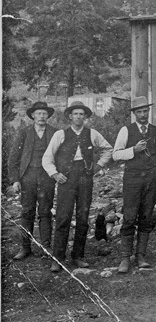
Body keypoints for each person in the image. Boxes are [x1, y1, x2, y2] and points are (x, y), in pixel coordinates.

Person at [42, 101, 113, 272]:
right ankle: (57, 258)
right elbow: (47, 157)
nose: (79, 117)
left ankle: (78, 256)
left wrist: (98, 166)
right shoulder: (60, 134)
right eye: (75, 114)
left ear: (86, 117)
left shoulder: (92, 133)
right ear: (70, 116)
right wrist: (55, 174)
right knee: (63, 217)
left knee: (83, 217)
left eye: (82, 114)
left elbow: (108, 149)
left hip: (85, 179)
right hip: (66, 179)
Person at [112, 96, 156, 273]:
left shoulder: (155, 130)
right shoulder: (126, 130)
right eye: (140, 112)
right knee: (129, 217)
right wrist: (133, 150)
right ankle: (125, 258)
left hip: (151, 178)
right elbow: (115, 155)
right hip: (133, 178)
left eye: (146, 111)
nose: (143, 114)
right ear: (134, 113)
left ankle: (141, 255)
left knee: (146, 216)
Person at [8, 101, 59, 260]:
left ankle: (46, 247)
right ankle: (25, 248)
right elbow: (13, 158)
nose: (41, 116)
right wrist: (15, 180)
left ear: (48, 116)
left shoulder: (55, 133)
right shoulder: (24, 132)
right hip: (27, 178)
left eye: (44, 113)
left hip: (47, 177)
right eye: (38, 113)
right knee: (27, 211)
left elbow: (63, 156)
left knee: (45, 211)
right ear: (33, 116)